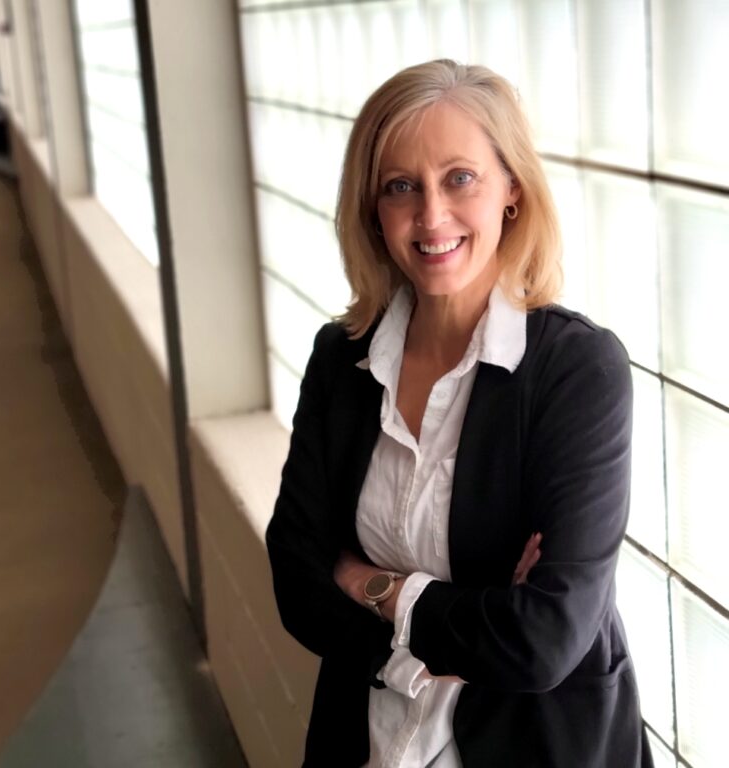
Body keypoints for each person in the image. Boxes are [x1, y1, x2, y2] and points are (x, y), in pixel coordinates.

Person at [266, 59, 652, 768]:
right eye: (400, 187)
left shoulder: (576, 371)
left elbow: (542, 640)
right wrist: (473, 614)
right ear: (373, 211)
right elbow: (295, 578)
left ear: (511, 188)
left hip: (534, 745)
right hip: (371, 738)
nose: (431, 215)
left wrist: (367, 582)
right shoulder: (341, 360)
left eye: (460, 178)